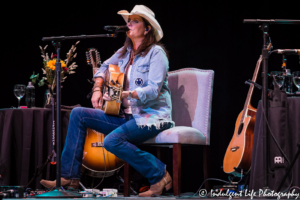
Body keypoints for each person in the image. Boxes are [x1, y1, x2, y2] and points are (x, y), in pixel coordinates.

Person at [40, 5, 175, 197]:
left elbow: (153, 90)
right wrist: (97, 88)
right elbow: (104, 66)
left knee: (112, 141)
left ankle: (160, 174)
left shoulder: (156, 53)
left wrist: (125, 94)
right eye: (128, 21)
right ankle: (70, 177)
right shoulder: (125, 52)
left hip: (150, 117)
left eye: (135, 21)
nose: (129, 24)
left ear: (147, 29)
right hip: (125, 117)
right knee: (78, 114)